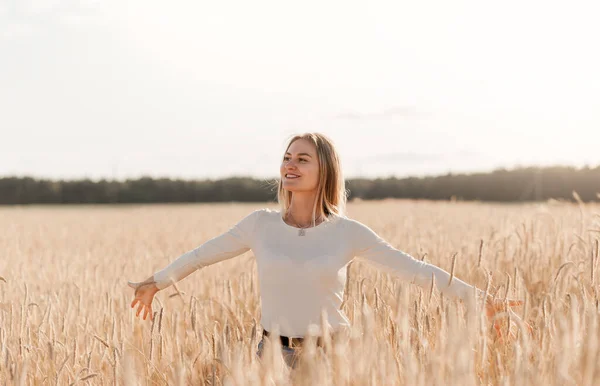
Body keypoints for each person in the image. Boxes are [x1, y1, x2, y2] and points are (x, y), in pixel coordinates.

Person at [128, 132, 525, 368]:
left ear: (325, 171)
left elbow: (415, 270)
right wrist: (157, 282)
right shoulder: (260, 225)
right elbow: (202, 255)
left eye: (302, 159)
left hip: (331, 356)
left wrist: (481, 299)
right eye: (286, 157)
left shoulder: (347, 232)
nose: (290, 165)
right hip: (271, 356)